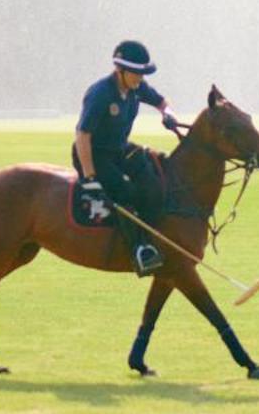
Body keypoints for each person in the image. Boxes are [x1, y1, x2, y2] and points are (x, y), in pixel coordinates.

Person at [73, 39, 183, 275]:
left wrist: (168, 114)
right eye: (136, 73)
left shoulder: (136, 87)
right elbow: (82, 134)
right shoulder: (100, 93)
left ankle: (154, 235)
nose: (140, 78)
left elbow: (161, 102)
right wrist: (90, 177)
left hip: (118, 149)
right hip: (94, 153)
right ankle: (140, 250)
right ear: (120, 70)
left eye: (143, 73)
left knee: (152, 178)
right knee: (125, 191)